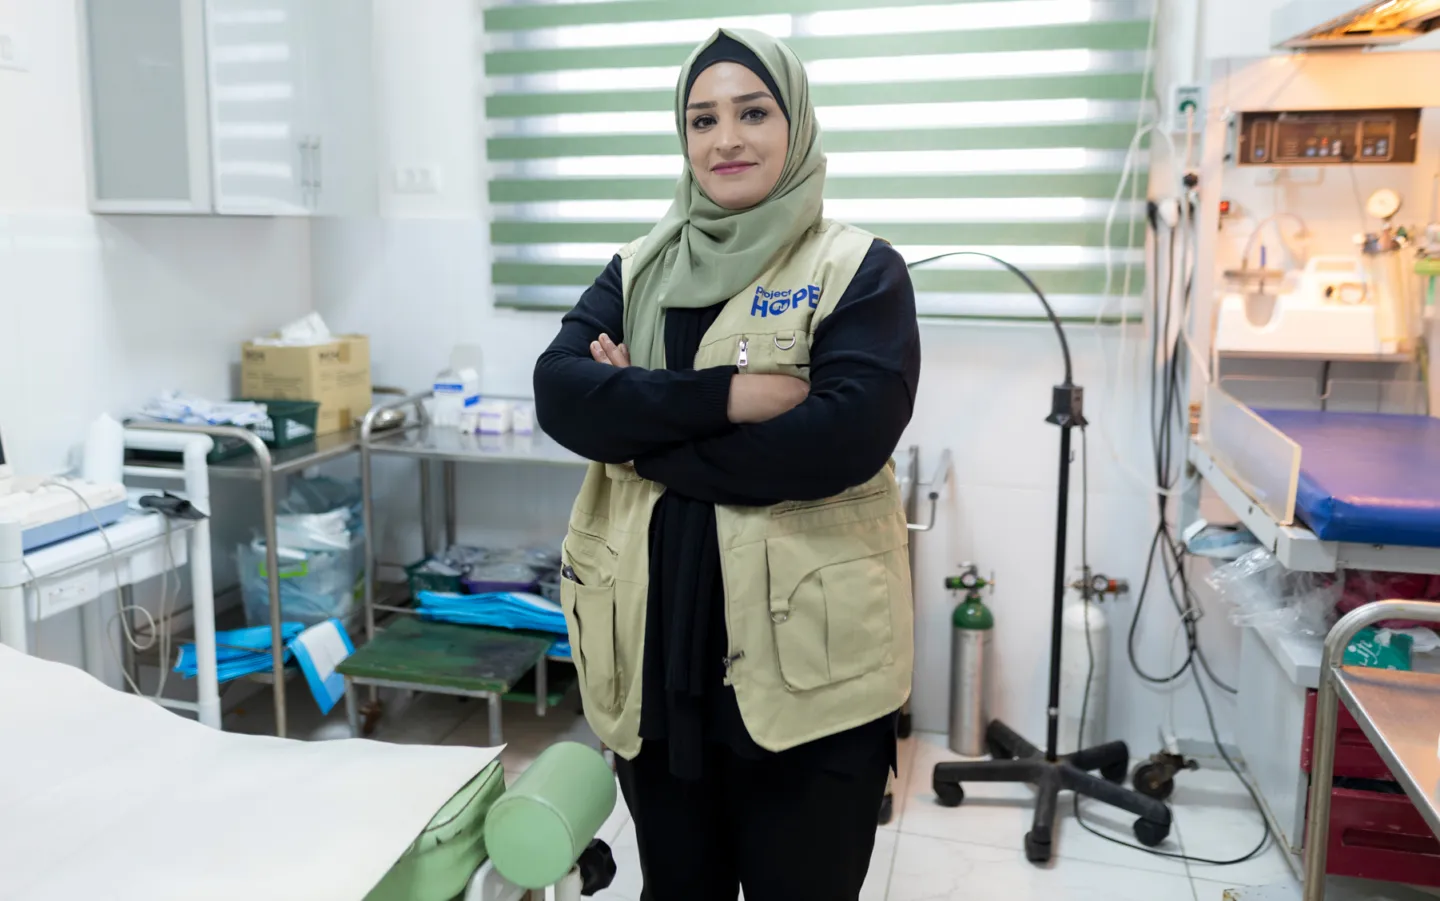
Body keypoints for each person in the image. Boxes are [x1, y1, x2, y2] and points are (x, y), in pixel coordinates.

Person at [533, 27, 921, 901]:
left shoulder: (858, 270)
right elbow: (560, 394)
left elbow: (838, 440)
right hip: (657, 670)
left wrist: (638, 429)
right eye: (702, 119)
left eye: (753, 112)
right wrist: (729, 398)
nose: (726, 139)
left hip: (810, 684)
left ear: (796, 125)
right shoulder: (638, 268)